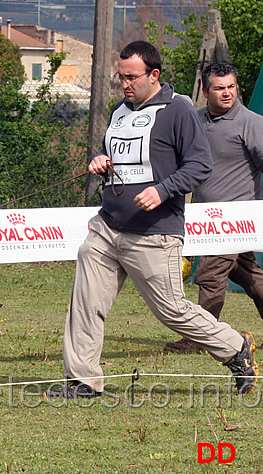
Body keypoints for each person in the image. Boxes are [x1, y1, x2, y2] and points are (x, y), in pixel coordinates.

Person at [47, 42, 258, 399]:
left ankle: (235, 346)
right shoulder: (120, 111)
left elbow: (199, 165)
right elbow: (113, 151)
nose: (125, 84)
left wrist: (163, 190)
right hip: (108, 226)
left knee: (172, 310)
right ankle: (83, 382)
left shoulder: (179, 111)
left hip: (154, 233)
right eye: (121, 77)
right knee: (85, 302)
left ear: (154, 75)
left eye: (132, 77)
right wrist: (101, 159)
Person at [164, 63, 263, 353]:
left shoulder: (251, 122)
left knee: (209, 275)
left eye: (231, 87)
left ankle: (199, 337)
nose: (227, 93)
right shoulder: (195, 120)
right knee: (246, 273)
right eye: (220, 88)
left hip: (235, 218)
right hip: (204, 217)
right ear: (206, 91)